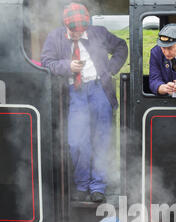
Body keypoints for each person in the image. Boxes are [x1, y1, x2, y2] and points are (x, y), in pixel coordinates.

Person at [41, 3, 128, 202]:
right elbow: (46, 61)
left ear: (87, 26)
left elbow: (121, 47)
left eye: (81, 31)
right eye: (73, 31)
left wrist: (110, 71)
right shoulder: (55, 36)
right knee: (76, 141)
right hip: (75, 91)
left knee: (102, 139)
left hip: (99, 89)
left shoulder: (99, 32)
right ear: (66, 26)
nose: (78, 35)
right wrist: (67, 66)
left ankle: (98, 186)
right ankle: (82, 183)